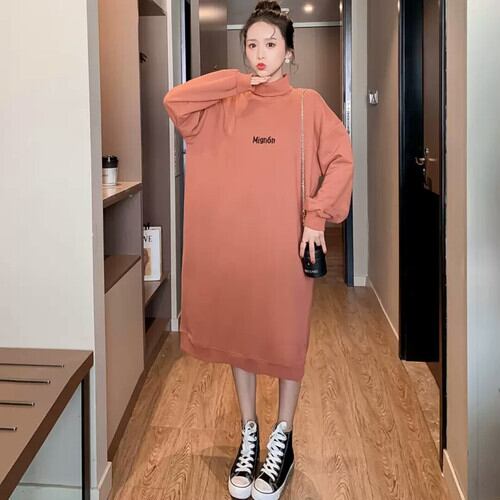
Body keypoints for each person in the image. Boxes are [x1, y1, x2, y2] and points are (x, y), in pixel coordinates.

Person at [162, 1, 354, 498]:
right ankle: (249, 432)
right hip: (235, 248)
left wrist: (316, 216)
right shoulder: (225, 104)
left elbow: (341, 160)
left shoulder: (308, 104)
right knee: (241, 335)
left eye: (271, 44)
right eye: (252, 45)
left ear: (289, 51)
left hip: (285, 248)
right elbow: (175, 100)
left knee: (286, 341)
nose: (261, 54)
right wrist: (235, 81)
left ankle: (282, 438)